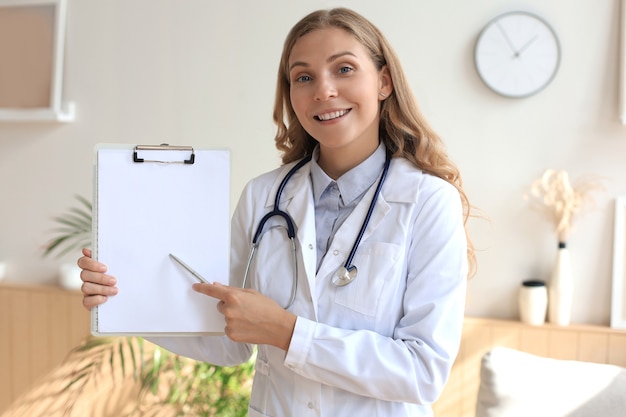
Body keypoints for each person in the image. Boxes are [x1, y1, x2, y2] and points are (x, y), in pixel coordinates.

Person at [78, 7, 476, 417]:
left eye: (343, 69)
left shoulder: (428, 202)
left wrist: (288, 333)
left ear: (384, 82)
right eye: (303, 77)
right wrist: (121, 296)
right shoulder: (264, 196)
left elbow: (423, 370)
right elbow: (228, 339)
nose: (323, 90)